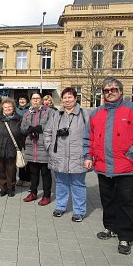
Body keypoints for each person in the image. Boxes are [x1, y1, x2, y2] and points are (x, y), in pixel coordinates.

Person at [83, 76, 133, 255]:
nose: (110, 92)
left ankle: (125, 236)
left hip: (126, 167)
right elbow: (88, 138)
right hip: (103, 166)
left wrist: (132, 155)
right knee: (107, 199)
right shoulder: (97, 113)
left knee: (126, 201)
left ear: (120, 91)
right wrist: (88, 155)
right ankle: (110, 227)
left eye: (114, 89)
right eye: (107, 90)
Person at [44, 87, 90, 222]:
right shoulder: (56, 115)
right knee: (61, 183)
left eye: (70, 97)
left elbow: (92, 135)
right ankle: (60, 206)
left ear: (75, 98)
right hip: (59, 155)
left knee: (78, 184)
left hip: (78, 156)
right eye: (64, 97)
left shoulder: (85, 114)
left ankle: (79, 211)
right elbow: (47, 132)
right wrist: (49, 147)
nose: (67, 100)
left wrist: (88, 155)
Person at [20, 92, 54, 206]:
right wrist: (29, 129)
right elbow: (22, 128)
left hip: (43, 147)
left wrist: (41, 128)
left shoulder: (49, 111)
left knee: (45, 173)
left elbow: (53, 125)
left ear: (41, 100)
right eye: (33, 98)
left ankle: (46, 195)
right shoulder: (27, 113)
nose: (35, 100)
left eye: (37, 98)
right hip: (31, 147)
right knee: (33, 173)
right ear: (30, 100)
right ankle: (33, 192)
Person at [15, 93, 31, 187]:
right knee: (20, 156)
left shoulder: (30, 110)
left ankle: (28, 179)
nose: (22, 101)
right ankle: (21, 178)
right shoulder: (16, 110)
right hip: (18, 137)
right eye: (20, 99)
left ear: (27, 101)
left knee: (28, 158)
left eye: (24, 99)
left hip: (28, 137)